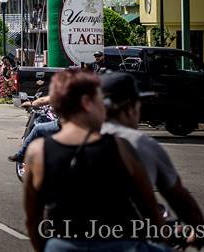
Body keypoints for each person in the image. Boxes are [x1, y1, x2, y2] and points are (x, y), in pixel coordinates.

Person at [23, 67, 166, 252]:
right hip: (118, 244)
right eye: (101, 101)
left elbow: (33, 219)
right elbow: (150, 210)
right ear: (87, 103)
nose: (104, 108)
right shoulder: (120, 146)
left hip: (62, 245)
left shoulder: (37, 151)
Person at [100, 72, 204, 243]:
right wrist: (198, 231)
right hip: (124, 242)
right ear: (130, 107)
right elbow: (182, 201)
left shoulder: (66, 140)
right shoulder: (140, 143)